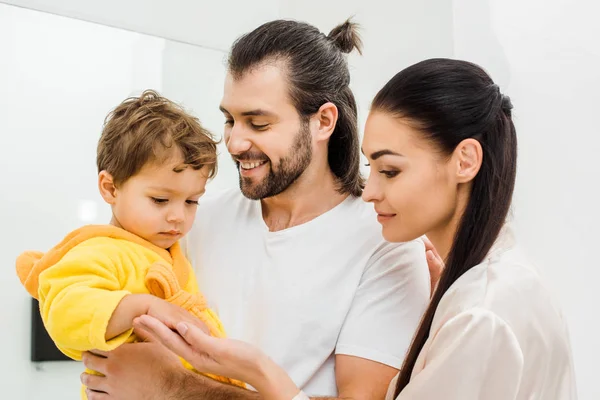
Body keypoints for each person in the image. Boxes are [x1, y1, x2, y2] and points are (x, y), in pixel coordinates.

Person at [136, 58, 578, 400]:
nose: (370, 192)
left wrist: (258, 373)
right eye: (372, 167)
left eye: (390, 170)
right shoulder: (485, 285)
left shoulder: (481, 313)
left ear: (464, 161)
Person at [80, 20, 430, 400]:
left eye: (258, 123)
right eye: (230, 120)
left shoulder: (385, 243)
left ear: (323, 121)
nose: (233, 142)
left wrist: (174, 388)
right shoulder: (193, 218)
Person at [15, 90, 244, 399]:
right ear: (110, 188)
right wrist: (143, 307)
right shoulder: (98, 251)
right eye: (160, 200)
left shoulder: (169, 253)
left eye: (191, 201)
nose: (178, 216)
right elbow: (65, 313)